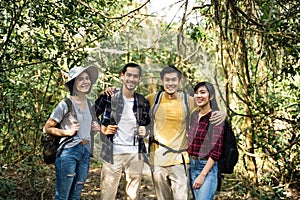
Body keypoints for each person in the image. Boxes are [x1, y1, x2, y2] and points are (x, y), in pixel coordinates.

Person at [146, 66, 226, 200]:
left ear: (180, 81)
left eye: (174, 80)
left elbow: (208, 106)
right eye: (167, 80)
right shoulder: (153, 99)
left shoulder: (188, 100)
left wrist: (224, 113)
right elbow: (131, 102)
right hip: (157, 161)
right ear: (162, 81)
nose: (170, 83)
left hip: (180, 160)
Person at [95, 62, 151, 200]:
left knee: (132, 196)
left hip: (135, 154)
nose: (131, 79)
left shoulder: (143, 102)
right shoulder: (109, 96)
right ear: (122, 76)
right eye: (129, 75)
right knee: (107, 195)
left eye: (135, 76)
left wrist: (146, 131)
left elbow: (149, 126)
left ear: (140, 79)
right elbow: (90, 115)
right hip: (112, 153)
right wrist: (103, 128)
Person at [43, 66, 101, 199]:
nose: (85, 82)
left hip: (85, 152)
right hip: (68, 152)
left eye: (87, 78)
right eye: (80, 79)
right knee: (62, 196)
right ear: (73, 83)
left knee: (75, 195)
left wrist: (96, 127)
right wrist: (67, 132)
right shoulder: (65, 104)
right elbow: (47, 127)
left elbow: (89, 127)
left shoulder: (89, 103)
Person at [188, 81, 224, 200]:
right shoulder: (194, 115)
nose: (199, 96)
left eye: (203, 92)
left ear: (211, 96)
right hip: (192, 165)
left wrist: (202, 175)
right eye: (196, 93)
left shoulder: (215, 118)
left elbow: (216, 151)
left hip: (207, 168)